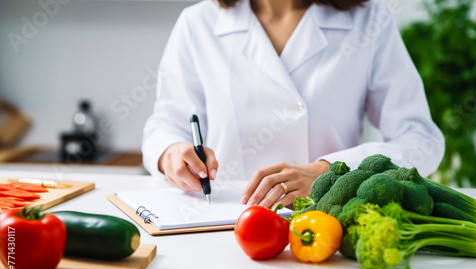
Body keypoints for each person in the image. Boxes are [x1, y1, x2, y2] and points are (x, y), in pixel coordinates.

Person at [142, 0, 445, 209]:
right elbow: (166, 125)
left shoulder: (369, 19)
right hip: (225, 223)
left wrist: (330, 173)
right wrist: (170, 153)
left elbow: (421, 140)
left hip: (329, 226)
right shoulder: (198, 23)